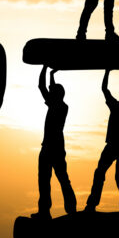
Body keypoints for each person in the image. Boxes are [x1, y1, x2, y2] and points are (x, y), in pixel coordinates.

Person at [85, 69, 119, 213]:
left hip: (115, 147)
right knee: (116, 177)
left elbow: (104, 89)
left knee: (108, 175)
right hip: (118, 147)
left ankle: (93, 205)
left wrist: (107, 71)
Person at [35, 65, 77, 218]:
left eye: (52, 92)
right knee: (56, 179)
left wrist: (45, 67)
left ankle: (47, 211)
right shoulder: (61, 105)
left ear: (56, 95)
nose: (49, 92)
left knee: (49, 180)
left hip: (51, 148)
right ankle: (64, 209)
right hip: (55, 147)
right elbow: (49, 87)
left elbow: (41, 86)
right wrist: (52, 74)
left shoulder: (56, 105)